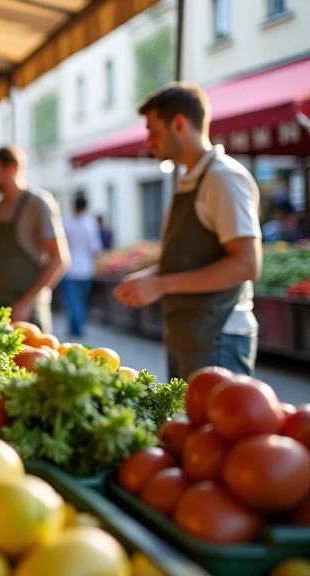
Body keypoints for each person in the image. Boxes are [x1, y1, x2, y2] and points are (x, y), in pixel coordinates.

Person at [114, 83, 262, 379]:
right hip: (190, 335)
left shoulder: (223, 177)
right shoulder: (189, 179)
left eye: (153, 130)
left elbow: (246, 265)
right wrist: (152, 276)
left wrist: (162, 284)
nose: (149, 141)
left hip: (218, 337)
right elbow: (193, 257)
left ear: (179, 124)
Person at [0, 146, 70, 334]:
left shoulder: (38, 204)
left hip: (27, 311)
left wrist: (26, 302)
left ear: (11, 170)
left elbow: (59, 259)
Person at [61, 196, 104, 337]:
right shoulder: (90, 224)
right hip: (86, 268)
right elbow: (95, 247)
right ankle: (79, 326)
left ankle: (76, 326)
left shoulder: (66, 223)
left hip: (69, 268)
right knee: (81, 300)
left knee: (72, 300)